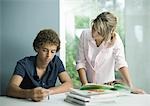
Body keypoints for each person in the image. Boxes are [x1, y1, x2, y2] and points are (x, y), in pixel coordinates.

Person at [76, 12, 145, 94]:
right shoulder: (85, 35)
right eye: (94, 28)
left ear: (107, 34)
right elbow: (80, 62)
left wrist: (131, 86)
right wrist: (86, 85)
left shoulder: (116, 41)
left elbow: (121, 63)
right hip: (88, 85)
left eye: (99, 32)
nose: (94, 33)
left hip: (107, 87)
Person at [6, 29, 73, 101]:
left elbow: (69, 84)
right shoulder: (24, 64)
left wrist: (49, 92)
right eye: (44, 50)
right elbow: (10, 89)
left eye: (52, 51)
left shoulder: (56, 62)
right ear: (37, 48)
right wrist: (29, 93)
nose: (49, 55)